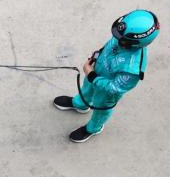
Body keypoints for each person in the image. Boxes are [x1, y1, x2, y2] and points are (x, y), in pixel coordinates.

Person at [53, 9, 159, 143]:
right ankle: (80, 104)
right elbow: (108, 46)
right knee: (87, 89)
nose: (116, 38)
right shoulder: (122, 37)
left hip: (106, 91)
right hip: (96, 71)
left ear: (135, 43)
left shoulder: (133, 69)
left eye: (120, 39)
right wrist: (96, 56)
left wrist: (92, 75)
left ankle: (93, 128)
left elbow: (114, 88)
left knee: (101, 108)